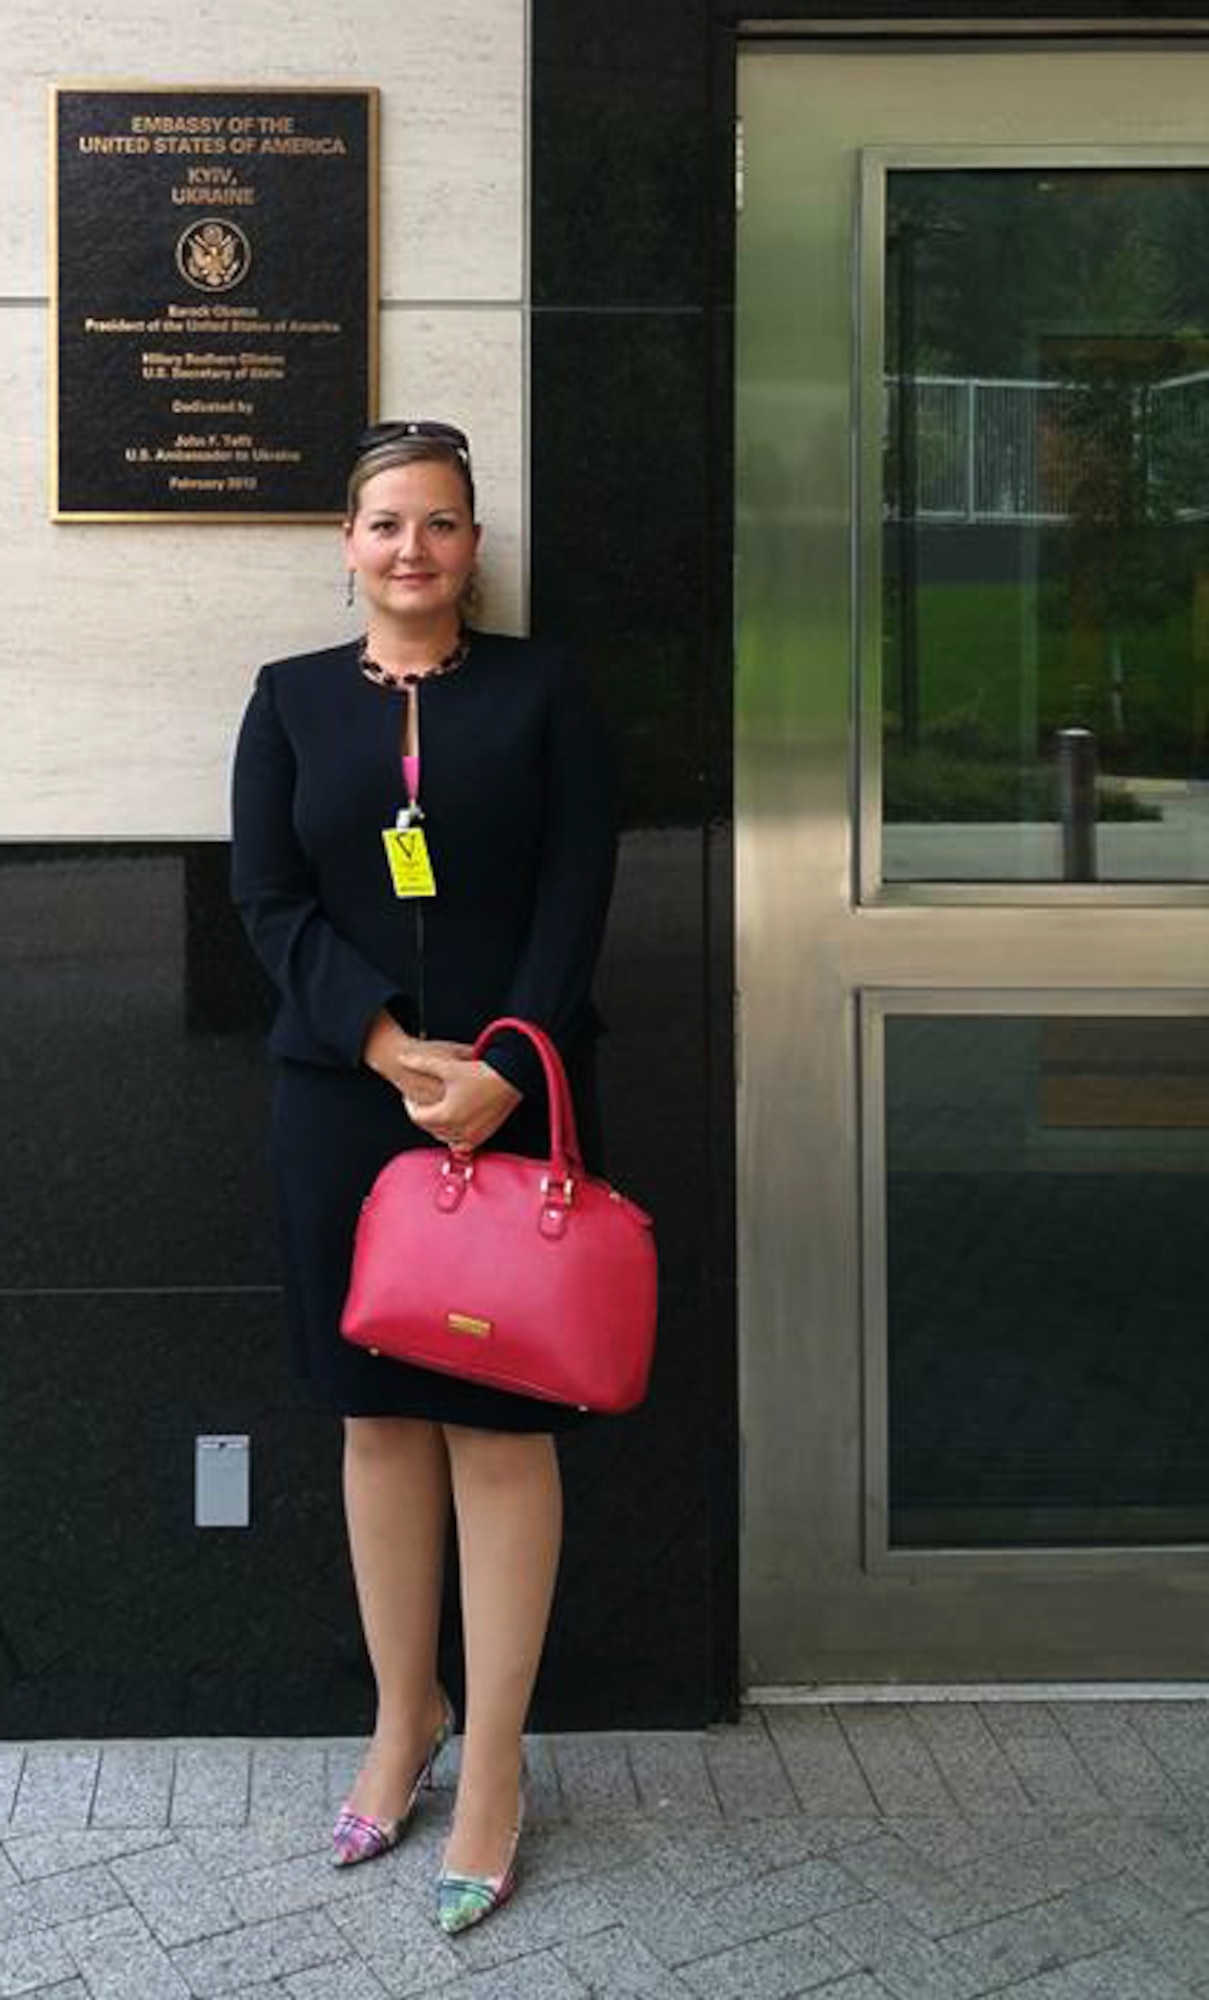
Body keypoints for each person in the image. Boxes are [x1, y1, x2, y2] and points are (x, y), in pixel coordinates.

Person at [229, 419, 616, 1934]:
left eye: (441, 525)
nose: (413, 550)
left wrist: (503, 1066)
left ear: (471, 544)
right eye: (386, 523)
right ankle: (408, 1719)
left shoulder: (544, 689)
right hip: (342, 1101)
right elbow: (266, 900)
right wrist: (391, 1052)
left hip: (518, 1098)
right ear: (346, 543)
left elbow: (579, 895)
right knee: (376, 1421)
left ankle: (503, 1761)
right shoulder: (288, 703)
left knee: (502, 1433)